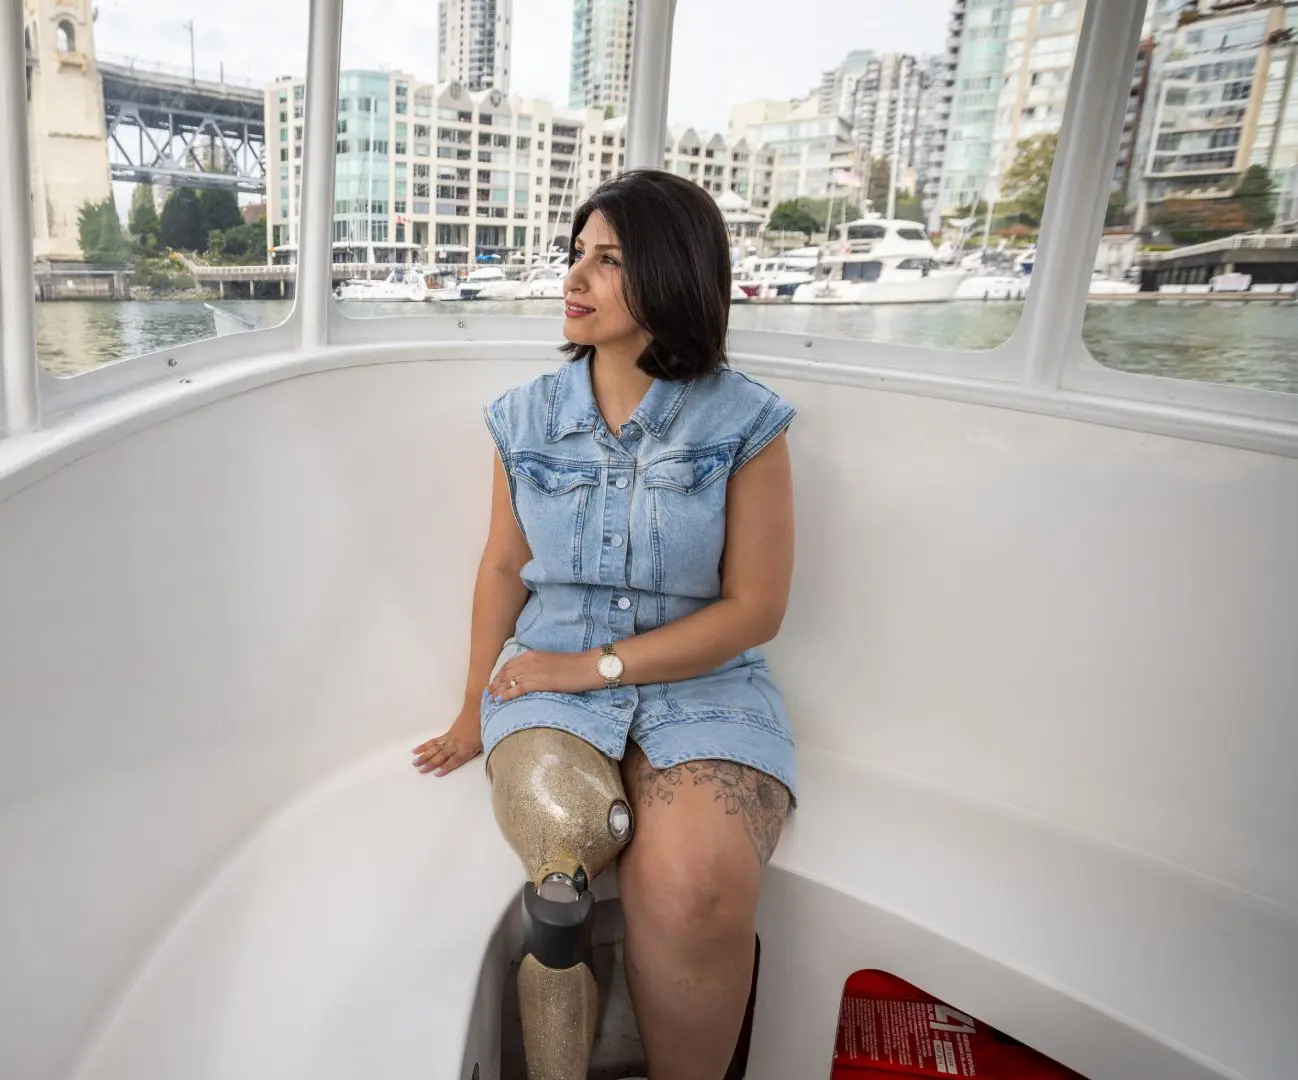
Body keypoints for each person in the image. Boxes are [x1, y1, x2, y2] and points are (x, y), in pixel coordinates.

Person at [411, 168, 797, 1080]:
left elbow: (755, 609)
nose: (575, 279)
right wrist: (473, 707)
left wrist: (588, 669)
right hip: (544, 681)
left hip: (700, 686)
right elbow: (503, 566)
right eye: (577, 254)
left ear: (670, 273)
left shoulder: (747, 423)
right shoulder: (523, 419)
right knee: (564, 846)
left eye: (609, 259)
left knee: (698, 888)